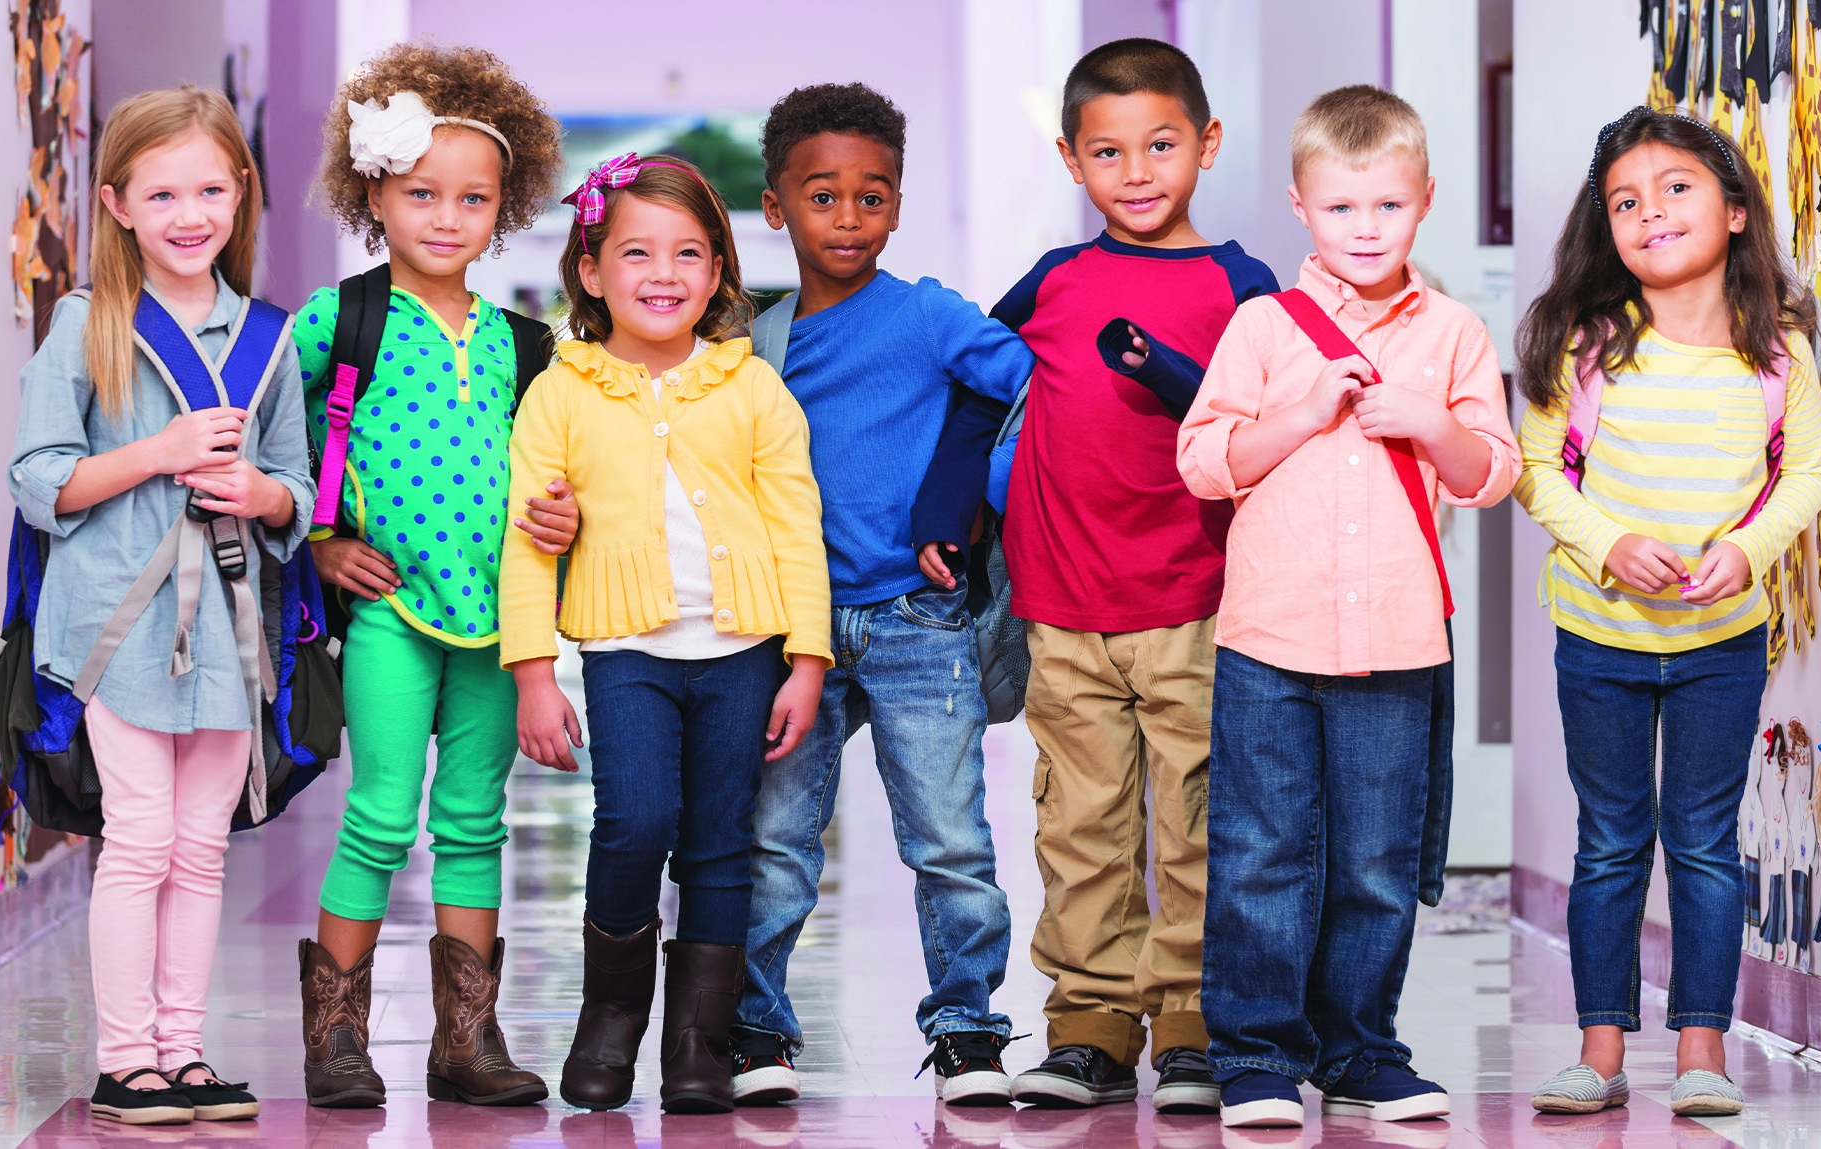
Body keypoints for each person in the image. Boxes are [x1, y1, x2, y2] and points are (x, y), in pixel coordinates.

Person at [915, 39, 1279, 1113]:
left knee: (1202, 819)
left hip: (1198, 599)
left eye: (1159, 145)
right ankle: (1088, 1029)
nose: (1135, 171)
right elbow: (979, 391)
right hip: (1061, 605)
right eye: (1107, 151)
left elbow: (1257, 424)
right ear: (1072, 161)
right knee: (1081, 824)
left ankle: (1196, 1026)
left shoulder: (1240, 285)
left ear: (1205, 146)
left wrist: (1165, 373)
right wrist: (950, 508)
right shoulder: (1055, 281)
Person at [1177, 85, 1520, 1128]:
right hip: (1268, 639)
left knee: (1375, 857)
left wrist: (1425, 421)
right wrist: (1297, 413)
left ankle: (1359, 1048)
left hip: (1395, 640)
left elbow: (1492, 474)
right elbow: (1199, 462)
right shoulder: (1260, 329)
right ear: (1299, 207)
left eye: (1385, 207)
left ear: (1423, 202)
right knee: (1260, 852)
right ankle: (1251, 1056)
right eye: (1339, 209)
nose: (1362, 230)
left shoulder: (1453, 332)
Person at [1514, 105, 1821, 1119]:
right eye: (1623, 202)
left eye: (1674, 189)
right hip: (1597, 640)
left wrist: (1743, 552)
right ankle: (1599, 1051)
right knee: (1608, 841)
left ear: (1734, 211)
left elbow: (1807, 478)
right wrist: (1605, 544)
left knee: (1700, 842)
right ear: (1602, 228)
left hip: (1718, 647)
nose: (1648, 212)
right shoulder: (1587, 342)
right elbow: (1530, 471)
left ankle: (1701, 1051)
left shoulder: (1774, 347)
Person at [8, 85, 314, 1125]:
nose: (192, 214)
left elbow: (295, 487)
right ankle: (124, 1056)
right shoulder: (87, 325)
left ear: (242, 196)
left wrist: (266, 495)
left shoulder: (267, 336)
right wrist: (160, 454)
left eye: (212, 190)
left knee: (201, 844)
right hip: (115, 625)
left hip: (230, 630)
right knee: (138, 839)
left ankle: (184, 1051)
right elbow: (40, 480)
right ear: (118, 204)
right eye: (165, 192)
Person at [503, 153, 832, 1115]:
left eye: (690, 253)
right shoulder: (561, 392)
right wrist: (532, 671)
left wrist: (806, 660)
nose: (663, 273)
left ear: (720, 273)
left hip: (743, 654)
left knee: (720, 843)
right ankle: (608, 1019)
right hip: (626, 655)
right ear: (591, 270)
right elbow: (527, 542)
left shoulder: (751, 388)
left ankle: (699, 1039)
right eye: (636, 251)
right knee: (635, 821)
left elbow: (795, 527)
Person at [729, 82, 1031, 1108]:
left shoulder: (928, 314)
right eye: (822, 197)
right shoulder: (754, 346)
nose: (847, 219)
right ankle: (754, 1028)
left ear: (896, 205)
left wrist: (971, 501)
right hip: (793, 634)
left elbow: (1024, 388)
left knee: (949, 842)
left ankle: (965, 1030)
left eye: (871, 197)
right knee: (772, 841)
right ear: (775, 206)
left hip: (917, 620)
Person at [290, 43, 570, 1109]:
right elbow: (287, 442)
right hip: (391, 617)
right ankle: (338, 1040)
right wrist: (319, 540)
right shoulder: (340, 319)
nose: (446, 218)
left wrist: (563, 512)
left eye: (472, 200)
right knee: (377, 815)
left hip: (499, 622)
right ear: (375, 195)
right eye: (421, 195)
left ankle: (465, 1042)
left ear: (502, 210)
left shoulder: (524, 344)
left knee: (471, 821)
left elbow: (556, 466)